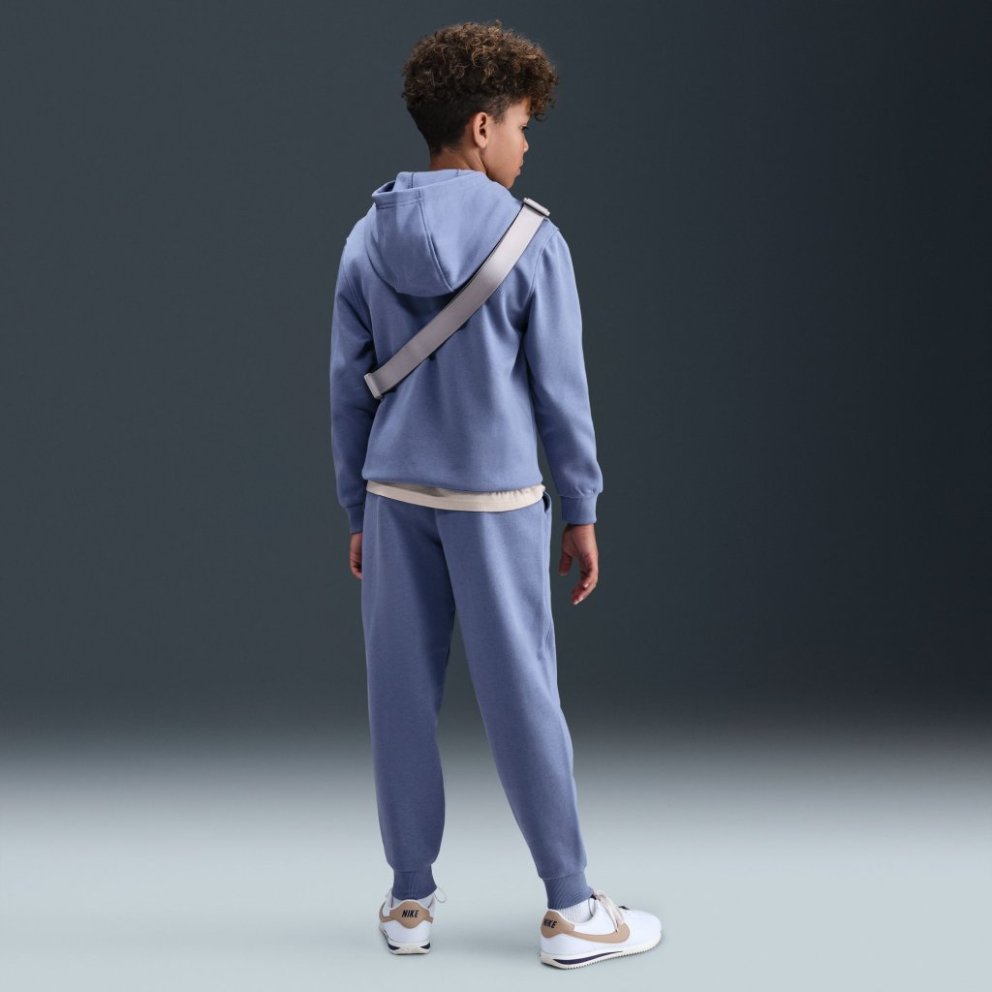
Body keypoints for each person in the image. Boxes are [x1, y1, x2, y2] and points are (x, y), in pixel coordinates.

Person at [329, 19, 662, 968]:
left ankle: (408, 902)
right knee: (522, 697)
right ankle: (571, 909)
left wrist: (357, 510)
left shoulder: (365, 238)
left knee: (399, 698)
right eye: (520, 124)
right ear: (481, 128)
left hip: (394, 496)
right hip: (498, 503)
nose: (524, 144)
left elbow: (347, 391)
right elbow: (562, 396)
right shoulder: (532, 239)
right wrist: (582, 509)